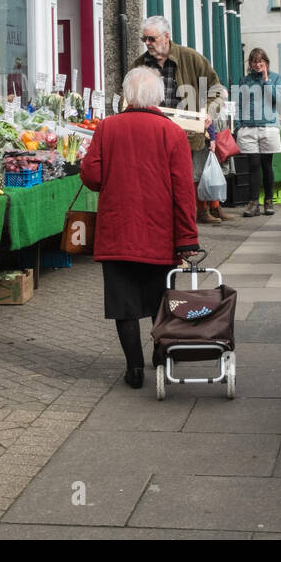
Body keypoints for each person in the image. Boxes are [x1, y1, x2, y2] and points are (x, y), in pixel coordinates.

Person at [79, 67, 201, 390]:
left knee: (124, 305)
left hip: (118, 232)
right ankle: (161, 357)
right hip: (160, 236)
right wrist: (187, 240)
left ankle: (134, 368)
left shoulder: (107, 128)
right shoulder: (173, 133)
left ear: (127, 96)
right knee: (160, 300)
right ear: (159, 97)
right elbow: (184, 192)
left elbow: (91, 176)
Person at [132, 15, 233, 225]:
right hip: (152, 135)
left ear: (166, 36)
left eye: (151, 39)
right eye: (145, 40)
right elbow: (129, 95)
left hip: (186, 135)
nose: (148, 44)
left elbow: (215, 88)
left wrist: (209, 113)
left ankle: (185, 225)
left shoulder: (190, 58)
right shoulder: (140, 64)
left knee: (185, 182)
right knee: (157, 183)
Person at [235, 48, 281, 217]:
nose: (257, 64)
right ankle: (253, 202)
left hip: (268, 127)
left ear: (266, 62)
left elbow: (277, 101)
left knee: (266, 165)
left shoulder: (275, 78)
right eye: (254, 61)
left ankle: (269, 201)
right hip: (249, 127)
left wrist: (266, 80)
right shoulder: (245, 80)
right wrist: (239, 124)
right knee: (253, 165)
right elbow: (239, 103)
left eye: (260, 61)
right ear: (250, 64)